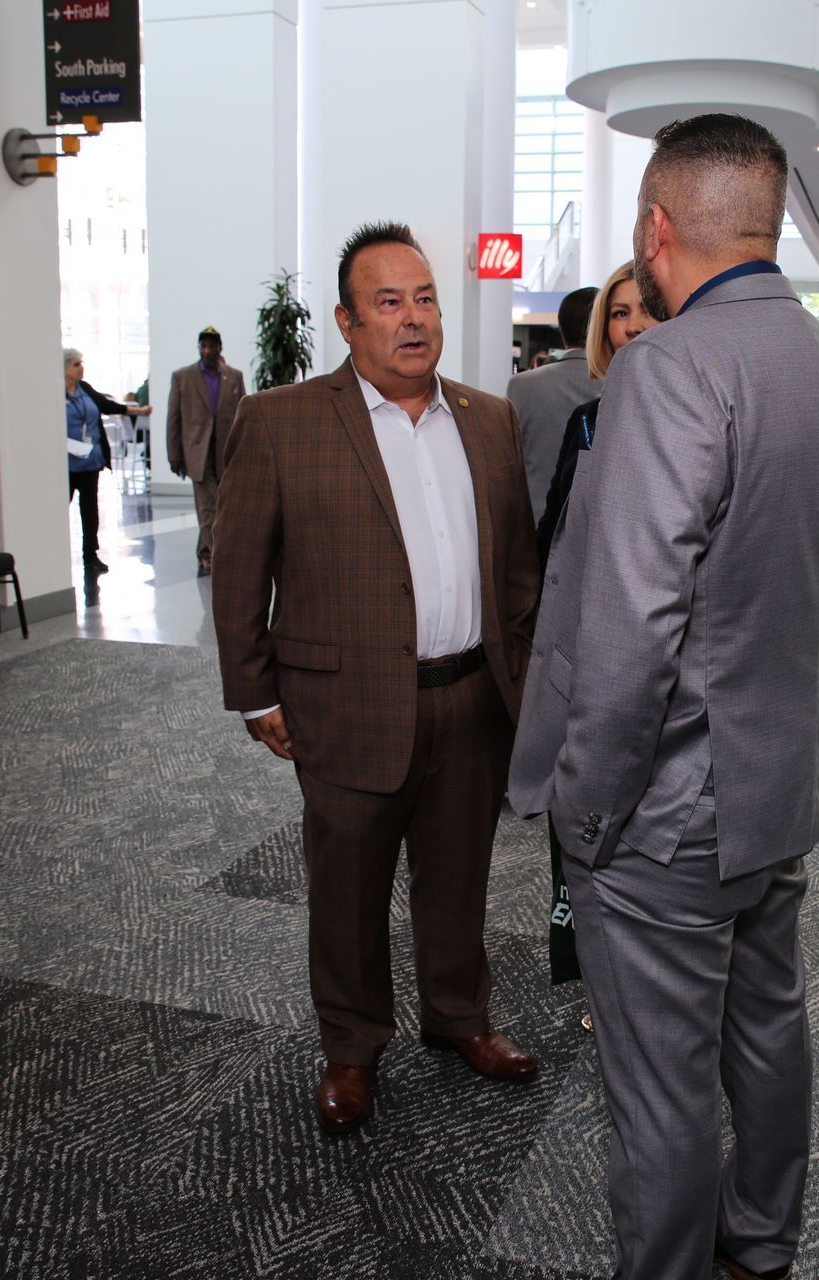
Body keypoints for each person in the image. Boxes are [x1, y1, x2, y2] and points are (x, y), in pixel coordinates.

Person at [508, 114, 819, 1280]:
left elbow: (633, 625)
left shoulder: (671, 366)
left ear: (656, 227)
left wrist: (588, 808)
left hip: (666, 808)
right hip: (783, 782)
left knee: (662, 1089)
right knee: (767, 1023)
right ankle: (761, 1241)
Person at [213, 222, 541, 1135]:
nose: (413, 319)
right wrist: (256, 691)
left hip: (471, 698)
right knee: (348, 888)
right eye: (388, 302)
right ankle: (352, 1047)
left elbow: (518, 571)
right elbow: (239, 570)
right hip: (345, 704)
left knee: (459, 876)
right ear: (347, 322)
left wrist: (518, 682)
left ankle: (459, 1015)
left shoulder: (489, 418)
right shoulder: (281, 422)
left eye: (425, 298)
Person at [532, 261, 653, 1009]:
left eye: (647, 311)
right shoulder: (587, 421)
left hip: (662, 665)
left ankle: (644, 986)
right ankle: (596, 981)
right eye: (619, 312)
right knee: (581, 822)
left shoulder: (701, 414)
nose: (632, 326)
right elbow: (554, 538)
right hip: (587, 658)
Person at [506, 285, 599, 524]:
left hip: (533, 523)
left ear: (562, 328)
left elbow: (508, 461)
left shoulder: (521, 385)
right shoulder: (617, 382)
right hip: (595, 525)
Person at [167, 326, 248, 577]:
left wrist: (246, 451)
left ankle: (204, 551)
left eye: (212, 346)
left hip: (225, 452)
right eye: (203, 346)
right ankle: (217, 556)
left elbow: (244, 417)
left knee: (222, 505)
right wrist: (174, 455)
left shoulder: (234, 377)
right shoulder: (183, 377)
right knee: (207, 507)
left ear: (220, 348)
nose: (207, 351)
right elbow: (173, 419)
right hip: (197, 453)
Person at [64, 347, 151, 576]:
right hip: (67, 464)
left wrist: (138, 411)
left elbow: (106, 405)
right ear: (63, 368)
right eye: (75, 364)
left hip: (90, 462)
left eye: (81, 363)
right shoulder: (56, 394)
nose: (80, 368)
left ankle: (90, 555)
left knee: (90, 511)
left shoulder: (84, 389)